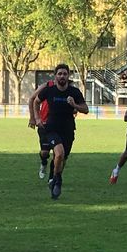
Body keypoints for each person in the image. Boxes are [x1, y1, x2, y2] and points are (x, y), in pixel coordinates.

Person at [33, 63, 89, 199]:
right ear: (55, 76)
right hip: (52, 129)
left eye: (64, 74)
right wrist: (37, 118)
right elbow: (36, 101)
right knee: (59, 154)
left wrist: (74, 105)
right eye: (59, 74)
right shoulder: (49, 90)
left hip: (68, 129)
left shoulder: (74, 92)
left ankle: (54, 179)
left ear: (68, 76)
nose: (62, 76)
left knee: (62, 158)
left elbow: (86, 109)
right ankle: (57, 180)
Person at [28, 78, 55, 180]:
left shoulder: (68, 88)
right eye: (59, 73)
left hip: (59, 124)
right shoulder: (47, 86)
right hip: (44, 123)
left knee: (58, 154)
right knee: (45, 152)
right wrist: (33, 118)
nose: (61, 76)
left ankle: (52, 178)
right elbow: (32, 99)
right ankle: (44, 163)